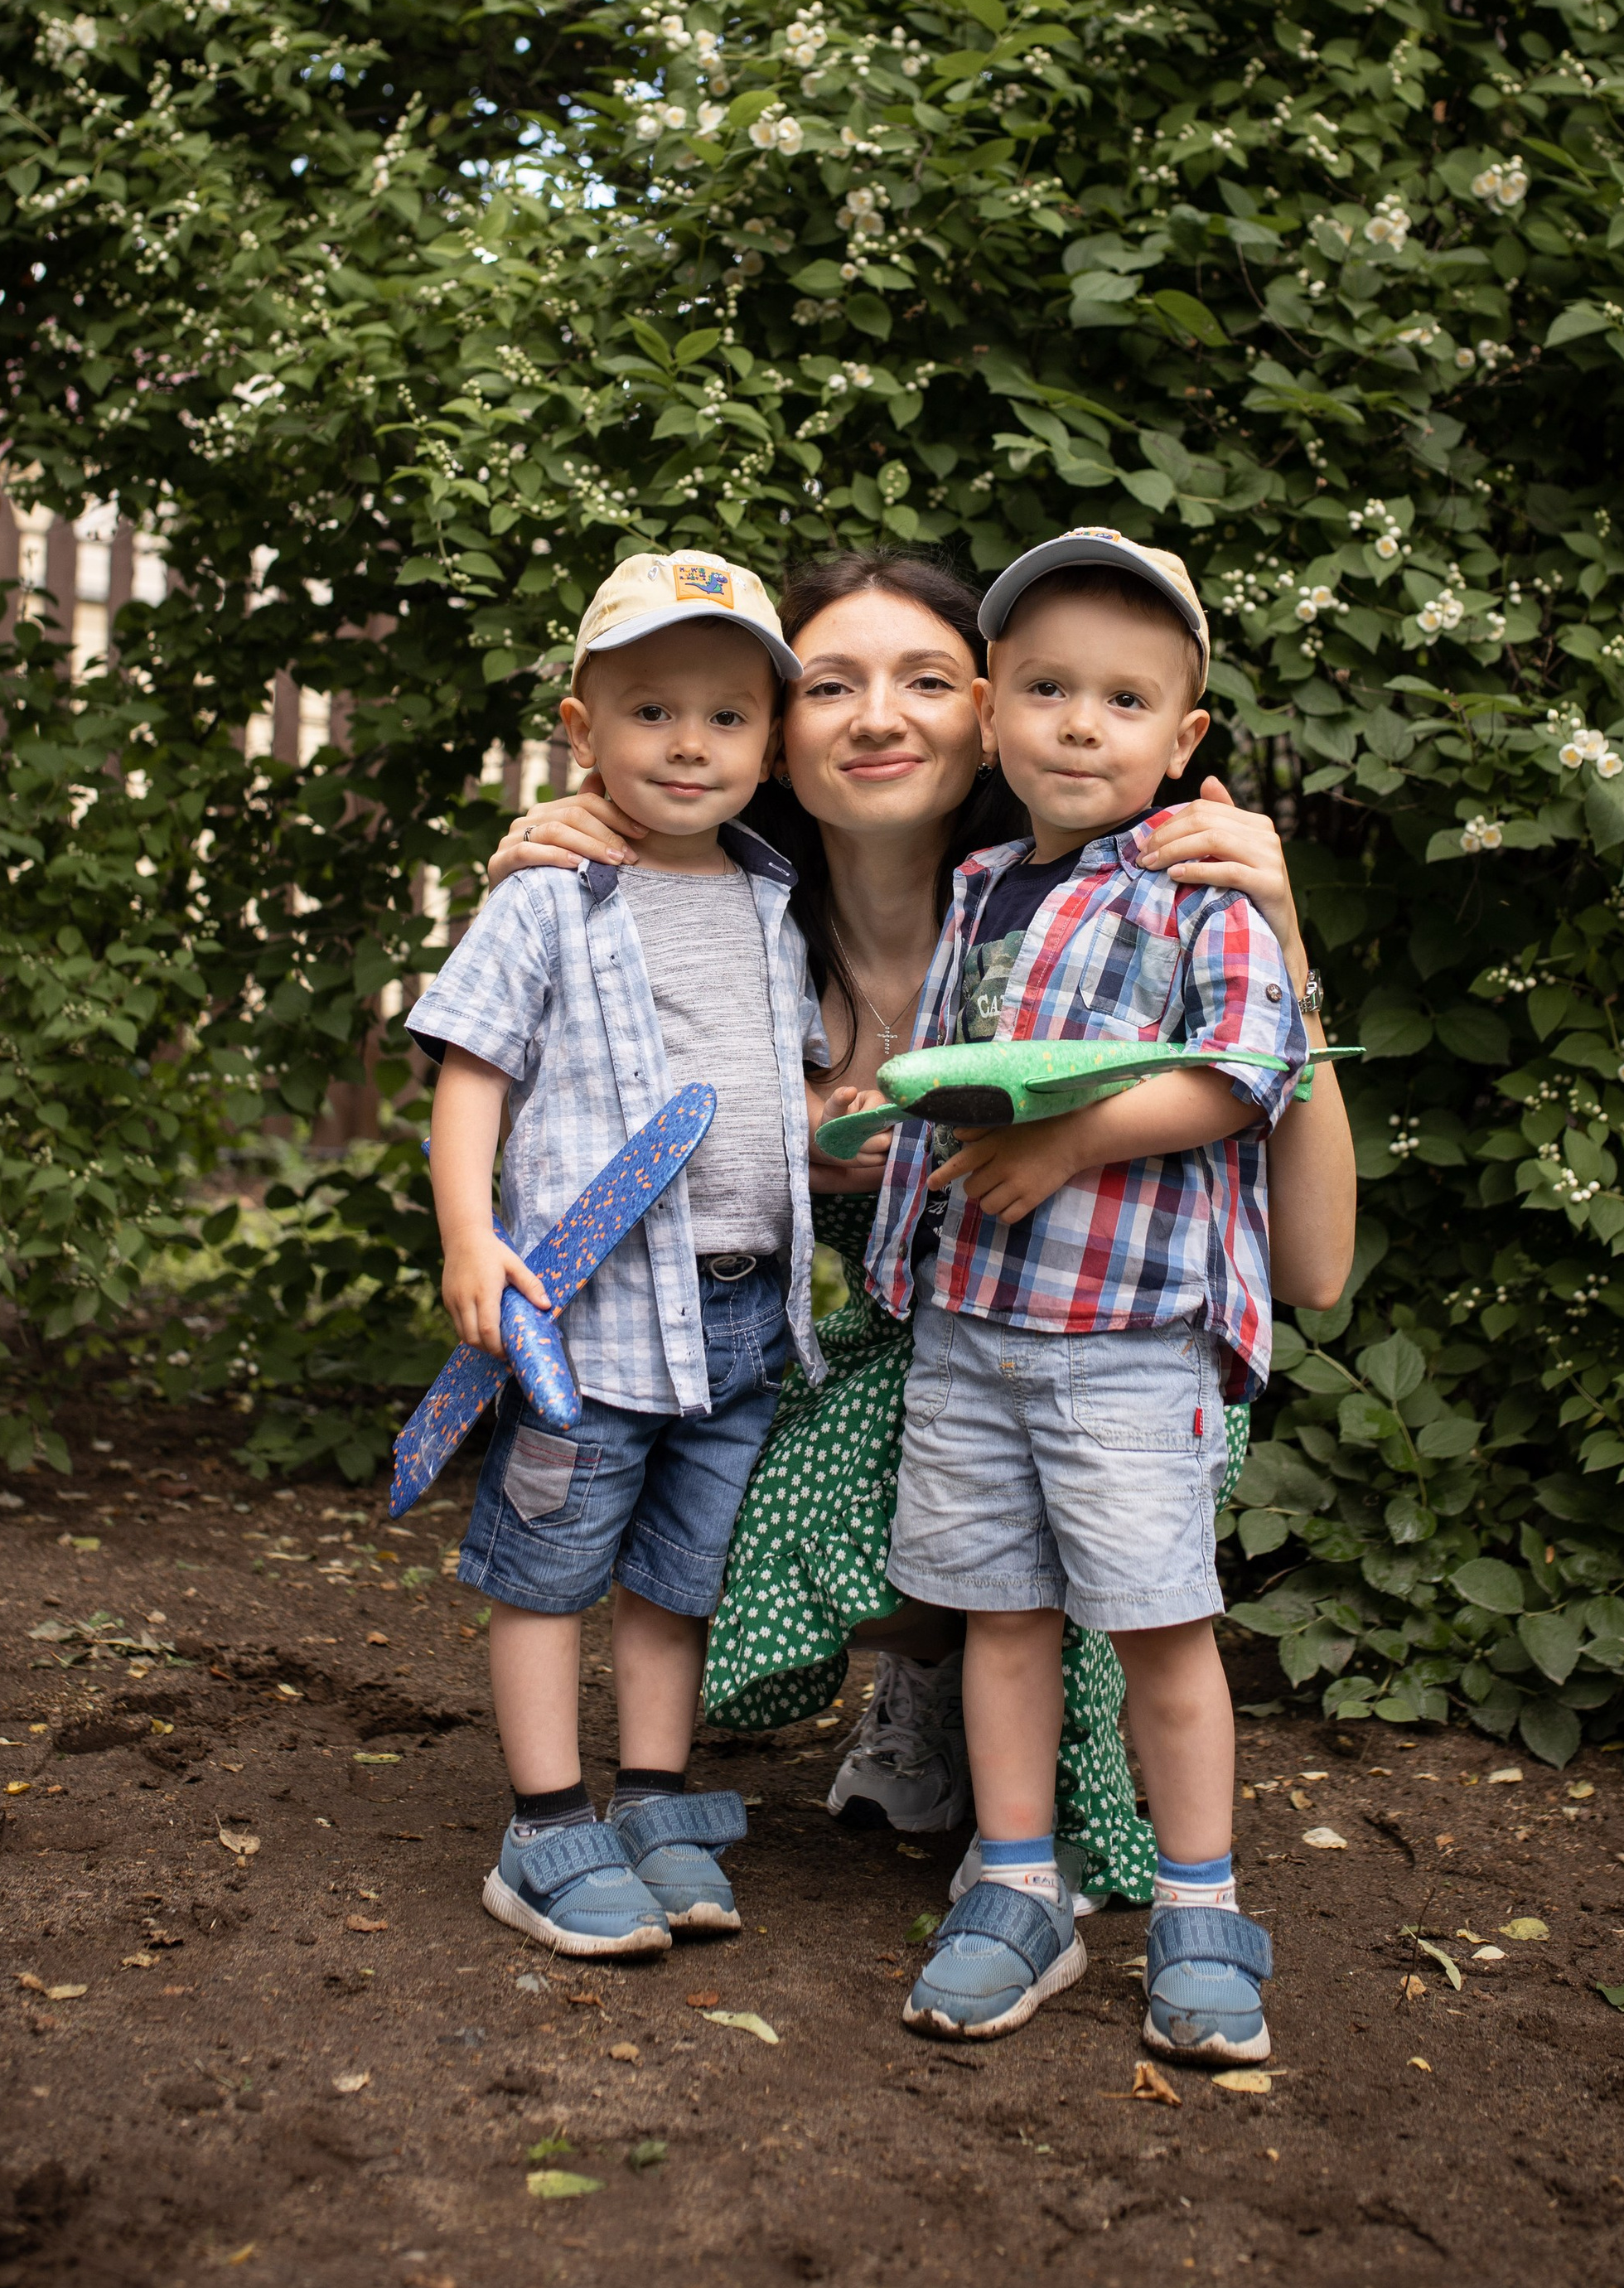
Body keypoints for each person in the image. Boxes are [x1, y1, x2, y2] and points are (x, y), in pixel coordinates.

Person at [484, 546, 1356, 1915]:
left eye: (927, 680)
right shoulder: (722, 920)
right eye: (833, 684)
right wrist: (538, 879)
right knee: (721, 1458)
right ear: (776, 732)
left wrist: (1286, 952)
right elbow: (545, 1099)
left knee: (963, 1447)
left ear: (984, 714)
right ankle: (944, 1678)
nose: (880, 717)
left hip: (1107, 1347)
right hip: (895, 1345)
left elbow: (1313, 1268)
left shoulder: (1101, 906)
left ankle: (1023, 1738)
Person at [868, 531, 1303, 2059]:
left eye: (1125, 701)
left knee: (1162, 1629)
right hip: (973, 1329)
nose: (1079, 726)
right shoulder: (982, 887)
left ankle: (1200, 1908)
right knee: (1003, 1617)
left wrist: (1069, 1145)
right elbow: (955, 1076)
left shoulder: (1195, 884)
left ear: (1184, 738)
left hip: (1126, 1340)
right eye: (1047, 690)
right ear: (992, 715)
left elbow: (1249, 1067)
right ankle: (1016, 1885)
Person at [407, 549, 829, 1962]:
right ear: (581, 730)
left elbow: (775, 1087)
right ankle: (541, 1827)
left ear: (771, 744)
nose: (689, 743)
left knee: (679, 1572)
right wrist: (469, 1233)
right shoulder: (551, 893)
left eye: (726, 716)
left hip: (743, 1317)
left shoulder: (773, 901)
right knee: (547, 1565)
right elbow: (474, 1064)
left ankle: (650, 1799)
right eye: (652, 712)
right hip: (585, 1316)